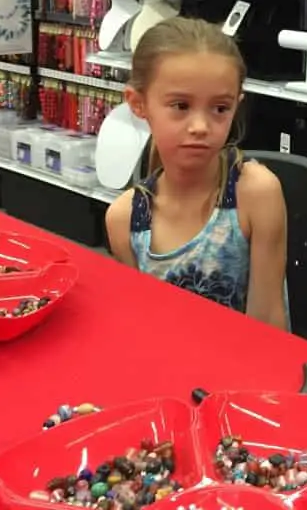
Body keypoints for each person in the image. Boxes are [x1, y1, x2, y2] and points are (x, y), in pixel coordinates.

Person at [105, 17, 289, 331]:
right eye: (180, 105)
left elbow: (269, 322)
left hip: (245, 371)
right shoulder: (124, 219)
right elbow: (142, 326)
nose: (201, 127)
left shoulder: (257, 195)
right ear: (138, 104)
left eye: (220, 109)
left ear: (236, 105)